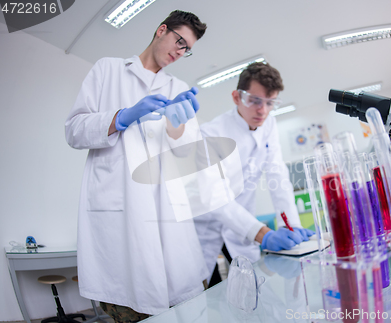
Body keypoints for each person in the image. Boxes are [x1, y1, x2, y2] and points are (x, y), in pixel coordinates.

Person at [65, 10, 208, 322]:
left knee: (184, 308)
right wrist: (120, 117)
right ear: (161, 30)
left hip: (169, 224)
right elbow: (73, 130)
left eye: (187, 49)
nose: (180, 52)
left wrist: (177, 127)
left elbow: (188, 159)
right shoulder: (108, 70)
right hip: (121, 221)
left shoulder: (177, 87)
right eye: (179, 41)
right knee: (132, 308)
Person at [195, 62, 314, 286]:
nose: (263, 111)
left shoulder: (269, 125)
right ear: (236, 97)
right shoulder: (210, 133)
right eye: (255, 101)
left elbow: (278, 176)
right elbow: (215, 197)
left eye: (270, 103)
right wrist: (263, 234)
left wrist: (292, 224)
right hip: (206, 225)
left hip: (243, 222)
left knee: (253, 289)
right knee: (203, 291)